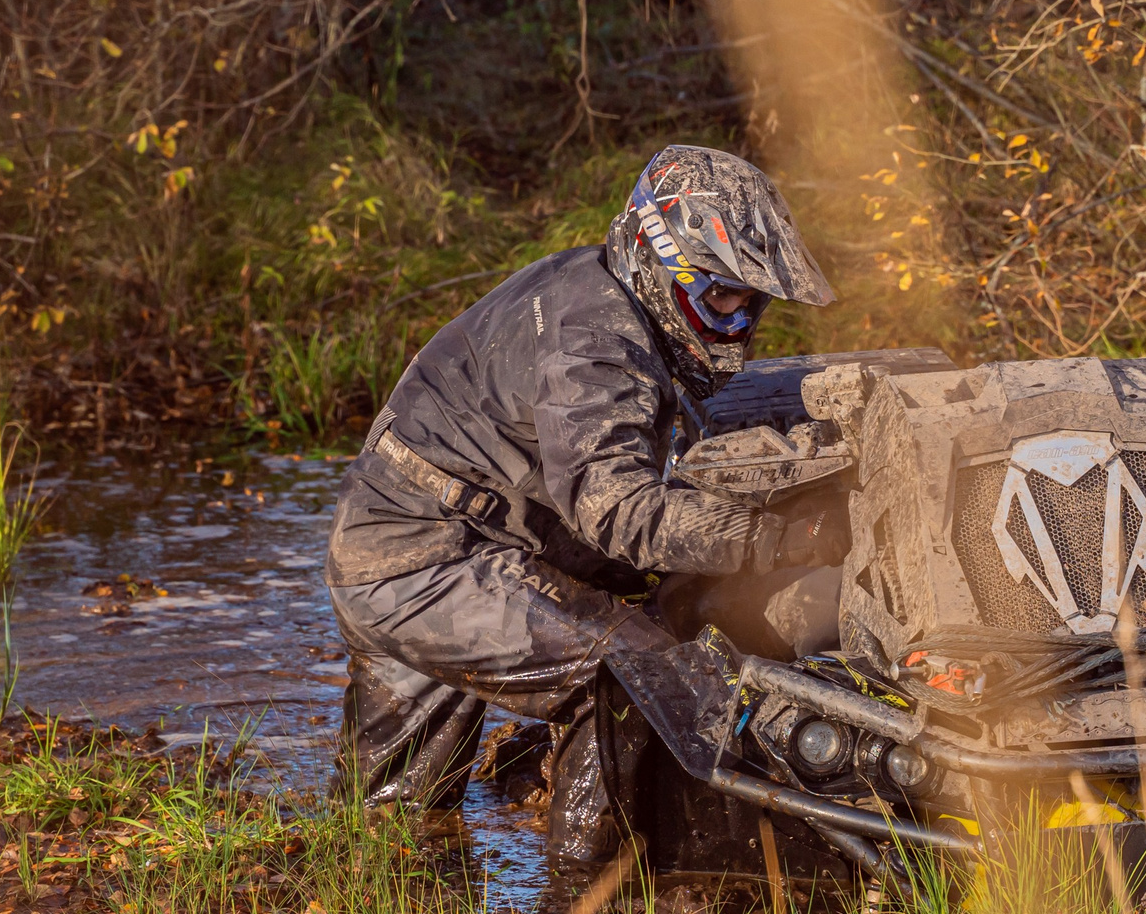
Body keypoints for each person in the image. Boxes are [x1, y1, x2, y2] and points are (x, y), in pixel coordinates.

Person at [324, 145, 844, 868]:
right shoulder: (594, 336)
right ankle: (592, 888)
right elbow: (618, 511)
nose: (734, 321)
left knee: (393, 830)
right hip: (427, 560)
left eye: (747, 301)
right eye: (719, 296)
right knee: (629, 671)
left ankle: (420, 881)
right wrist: (782, 537)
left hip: (405, 537)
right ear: (659, 261)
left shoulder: (595, 292)